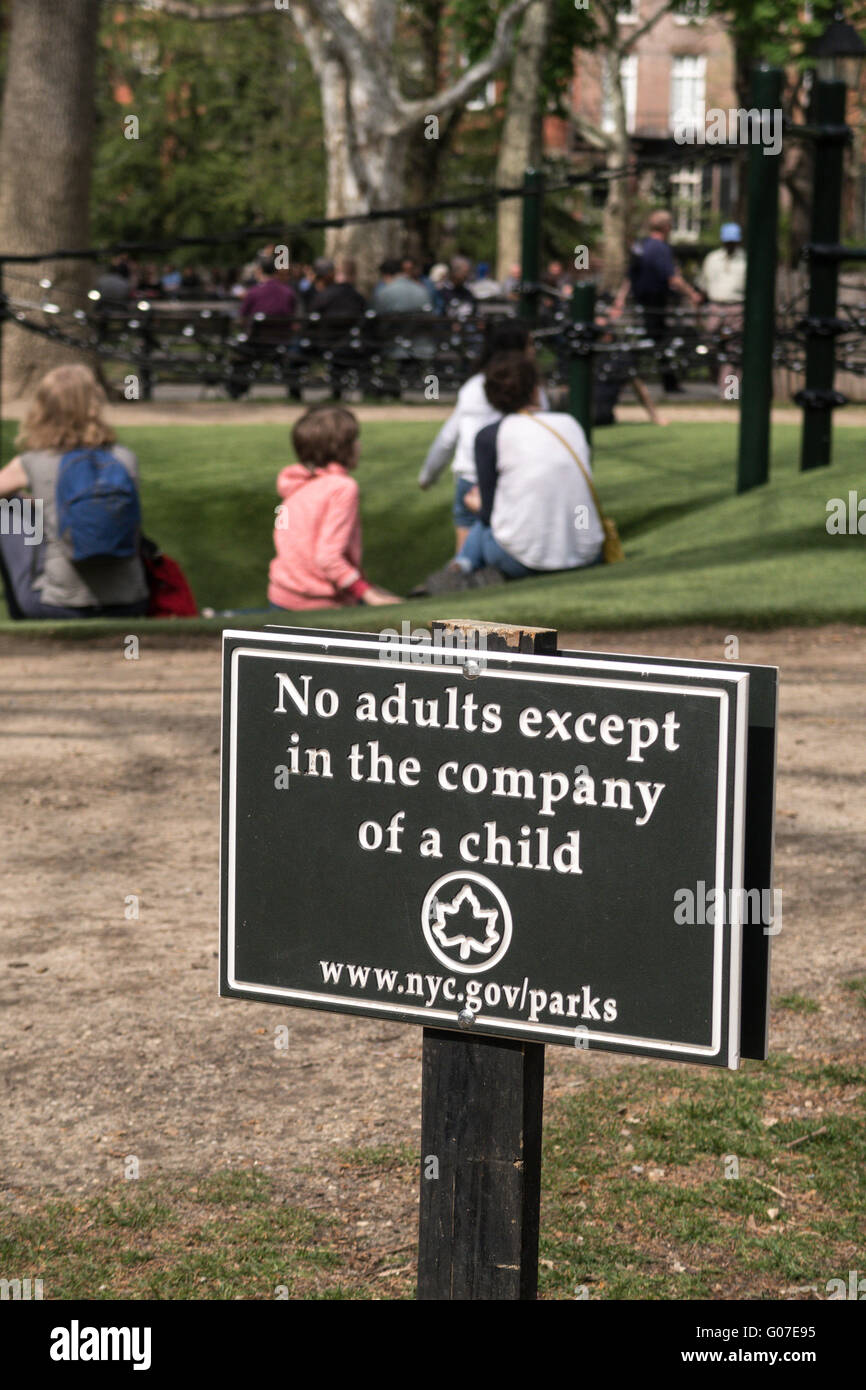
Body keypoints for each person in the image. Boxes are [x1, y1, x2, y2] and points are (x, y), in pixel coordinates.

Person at [0, 365, 149, 620]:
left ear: (44, 408)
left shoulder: (34, 461)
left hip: (56, 604)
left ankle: (21, 618)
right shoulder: (124, 459)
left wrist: (30, 506)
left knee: (8, 507)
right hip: (131, 602)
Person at [450, 352, 604, 582]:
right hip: (587, 553)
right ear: (535, 389)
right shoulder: (571, 424)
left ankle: (462, 568)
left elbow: (489, 513)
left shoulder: (491, 435)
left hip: (521, 559)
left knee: (481, 526)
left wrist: (477, 506)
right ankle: (467, 568)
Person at [418, 321, 550, 549]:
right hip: (509, 477)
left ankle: (463, 574)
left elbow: (449, 436)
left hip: (470, 477)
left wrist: (428, 475)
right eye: (529, 344)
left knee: (467, 549)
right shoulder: (530, 389)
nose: (534, 350)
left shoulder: (473, 387)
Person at [268, 406, 400, 610]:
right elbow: (328, 558)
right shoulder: (342, 488)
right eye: (354, 440)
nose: (359, 445)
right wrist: (368, 594)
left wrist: (368, 587)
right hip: (318, 604)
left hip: (280, 597)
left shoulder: (297, 484)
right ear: (341, 448)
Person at [610, 209, 702, 393]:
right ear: (667, 227)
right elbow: (673, 278)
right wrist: (692, 294)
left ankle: (624, 377)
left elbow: (629, 276)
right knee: (657, 342)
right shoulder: (660, 248)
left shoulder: (640, 245)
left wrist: (619, 300)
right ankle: (624, 377)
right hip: (655, 304)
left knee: (649, 340)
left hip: (639, 303)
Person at [697, 222, 746, 393]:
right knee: (708, 346)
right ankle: (714, 382)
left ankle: (729, 392)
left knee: (734, 351)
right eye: (728, 241)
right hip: (715, 308)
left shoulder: (745, 260)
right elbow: (703, 285)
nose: (730, 244)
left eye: (733, 241)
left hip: (737, 308)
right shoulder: (712, 259)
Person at [239, 253, 298, 317]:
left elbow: (243, 314)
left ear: (260, 270)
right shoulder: (288, 291)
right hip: (284, 326)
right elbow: (293, 311)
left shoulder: (254, 292)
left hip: (259, 326)